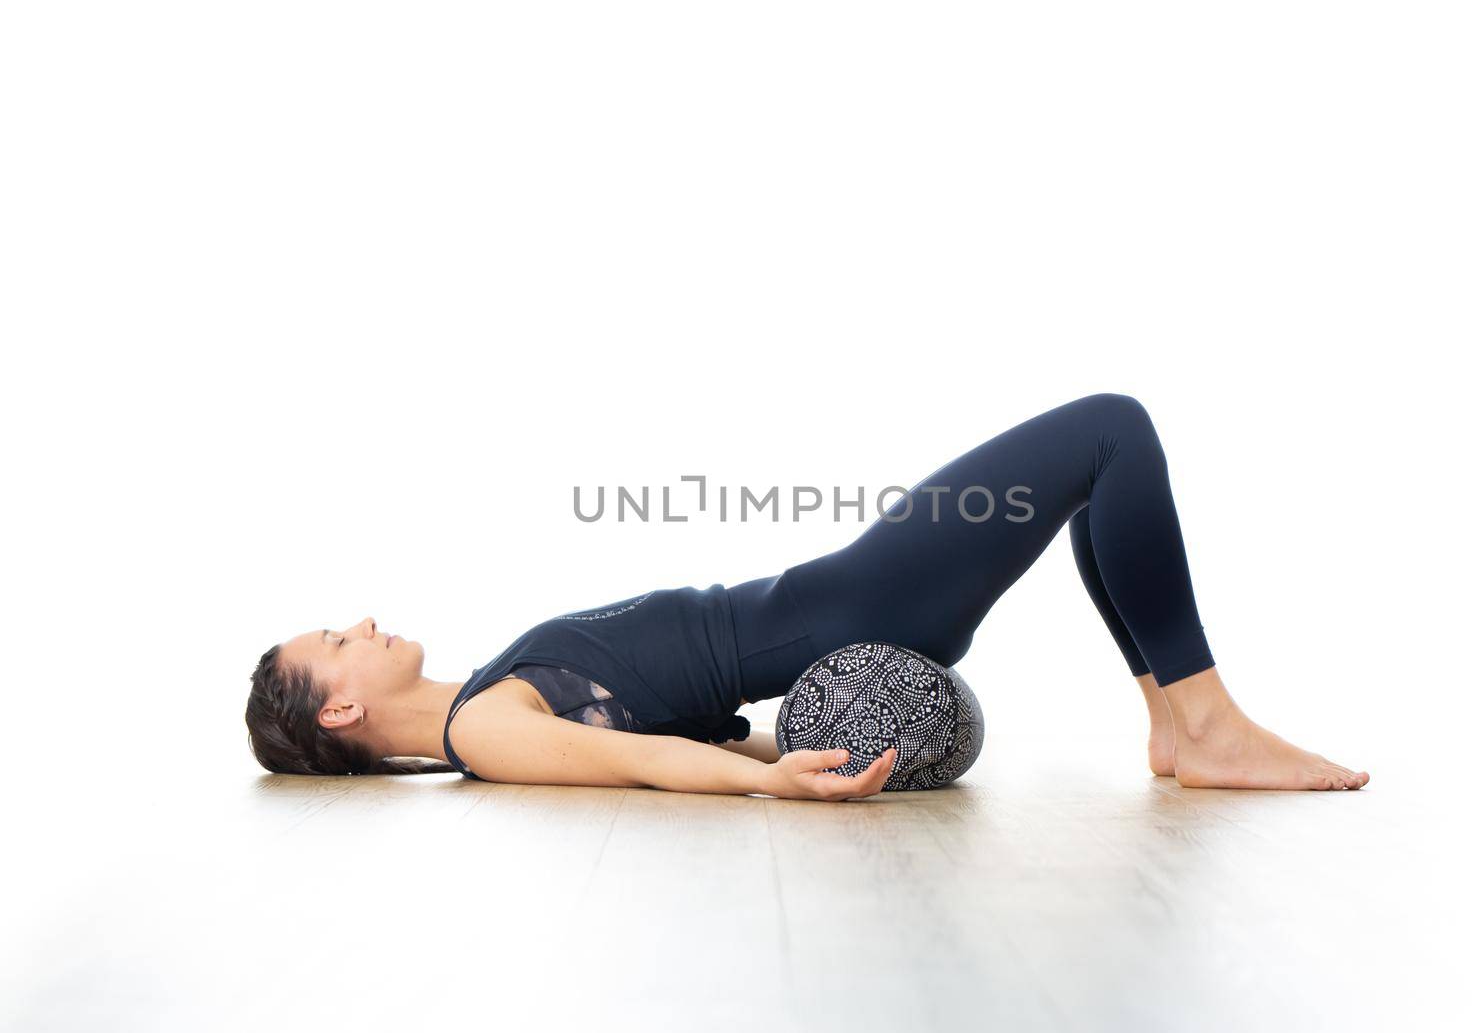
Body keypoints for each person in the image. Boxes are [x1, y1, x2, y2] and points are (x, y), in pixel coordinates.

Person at [245, 393, 1369, 799]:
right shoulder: (483, 729)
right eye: (338, 641)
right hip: (854, 604)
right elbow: (646, 761)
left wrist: (767, 755)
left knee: (1090, 472)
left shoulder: (487, 704)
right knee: (1111, 429)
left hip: (841, 603)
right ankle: (1205, 720)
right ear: (337, 709)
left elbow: (661, 734)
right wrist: (777, 783)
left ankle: (1181, 728)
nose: (364, 621)